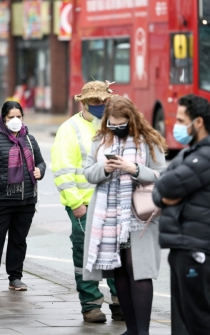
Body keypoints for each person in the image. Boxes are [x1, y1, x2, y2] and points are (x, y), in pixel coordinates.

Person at [152, 94, 210, 335]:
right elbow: (160, 188)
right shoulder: (192, 153)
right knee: (182, 319)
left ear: (198, 122)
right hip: (183, 243)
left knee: (197, 318)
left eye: (181, 120)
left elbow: (167, 186)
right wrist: (163, 195)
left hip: (196, 247)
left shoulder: (208, 156)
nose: (177, 125)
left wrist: (163, 193)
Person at [83, 96, 167, 335]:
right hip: (108, 217)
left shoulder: (148, 140)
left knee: (138, 270)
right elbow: (88, 172)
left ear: (131, 120)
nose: (116, 128)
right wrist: (105, 169)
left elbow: (163, 175)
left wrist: (135, 169)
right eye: (112, 123)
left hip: (139, 217)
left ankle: (143, 331)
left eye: (121, 124)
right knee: (118, 270)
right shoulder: (100, 139)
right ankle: (131, 330)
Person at [51, 80, 123, 323]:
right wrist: (76, 205)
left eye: (104, 101)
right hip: (85, 205)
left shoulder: (114, 125)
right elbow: (63, 171)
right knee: (85, 256)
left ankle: (121, 302)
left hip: (113, 202)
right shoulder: (69, 129)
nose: (100, 105)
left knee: (116, 254)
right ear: (83, 102)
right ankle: (91, 305)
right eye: (95, 102)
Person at [0, 101, 46, 292]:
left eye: (18, 116)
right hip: (1, 201)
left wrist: (40, 170)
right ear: (3, 118)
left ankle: (15, 278)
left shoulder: (30, 140)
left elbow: (40, 163)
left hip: (26, 201)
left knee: (18, 240)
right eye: (11, 117)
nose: (15, 120)